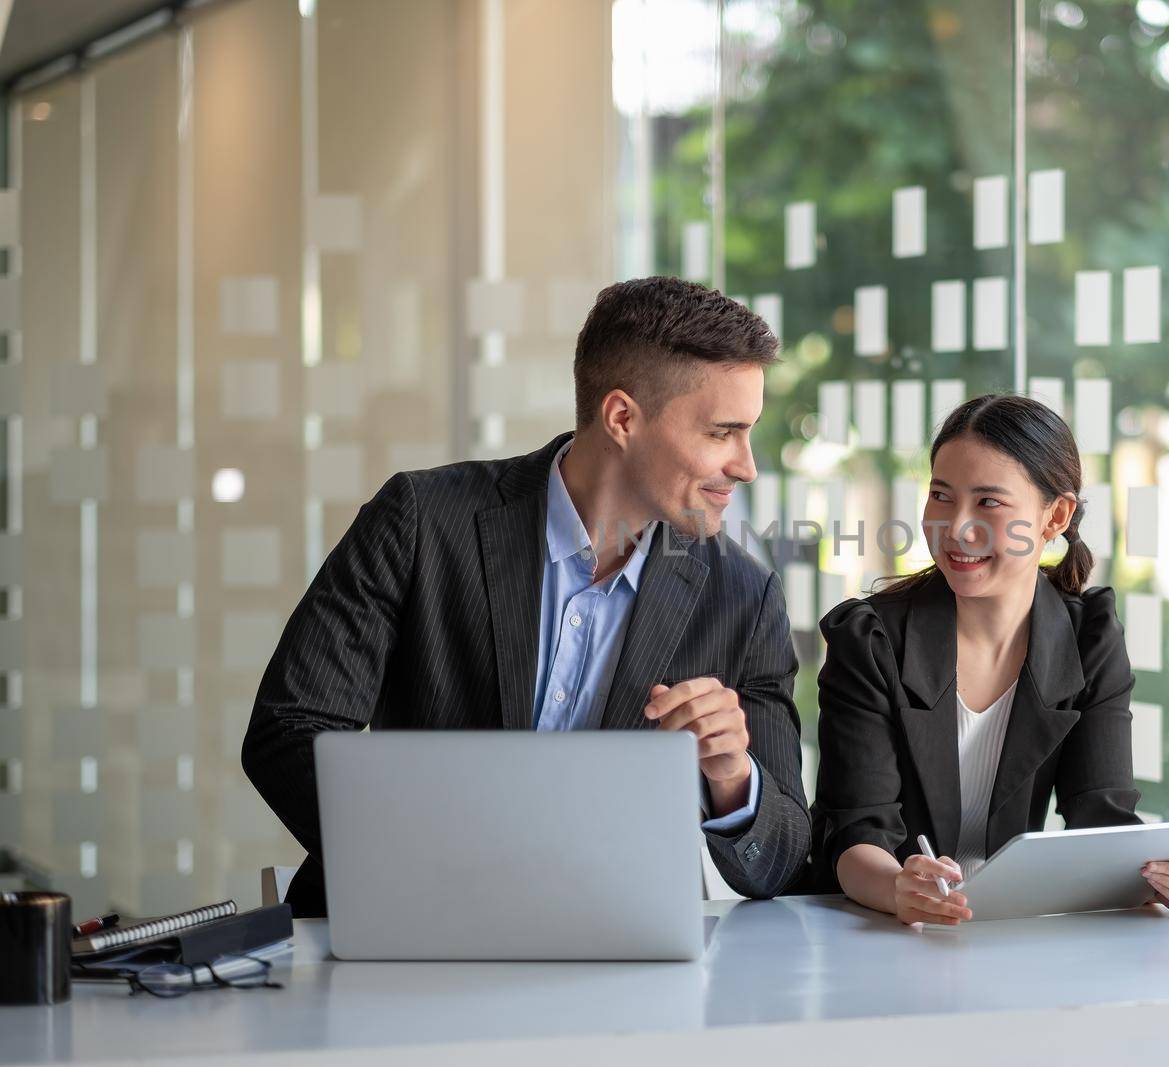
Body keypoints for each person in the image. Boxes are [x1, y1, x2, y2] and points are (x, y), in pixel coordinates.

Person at [243, 277, 811, 916]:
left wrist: (733, 778)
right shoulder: (423, 522)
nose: (746, 465)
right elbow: (288, 731)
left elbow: (783, 858)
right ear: (622, 418)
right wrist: (436, 872)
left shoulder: (744, 594)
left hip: (616, 951)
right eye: (721, 433)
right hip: (405, 936)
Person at [811, 393, 1169, 925]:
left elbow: (1101, 819)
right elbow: (854, 835)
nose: (956, 527)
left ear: (1055, 516)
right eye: (941, 495)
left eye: (988, 502)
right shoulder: (871, 639)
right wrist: (897, 888)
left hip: (1007, 926)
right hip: (873, 926)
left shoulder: (1087, 639)